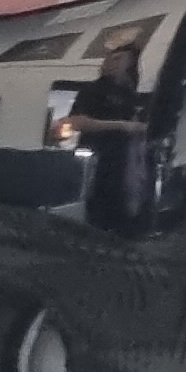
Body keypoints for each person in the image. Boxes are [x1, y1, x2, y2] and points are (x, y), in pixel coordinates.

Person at [63, 28, 158, 232]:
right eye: (110, 58)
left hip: (129, 166)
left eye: (119, 59)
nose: (111, 63)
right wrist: (122, 126)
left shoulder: (135, 95)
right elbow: (76, 121)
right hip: (99, 165)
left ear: (131, 62)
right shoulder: (93, 90)